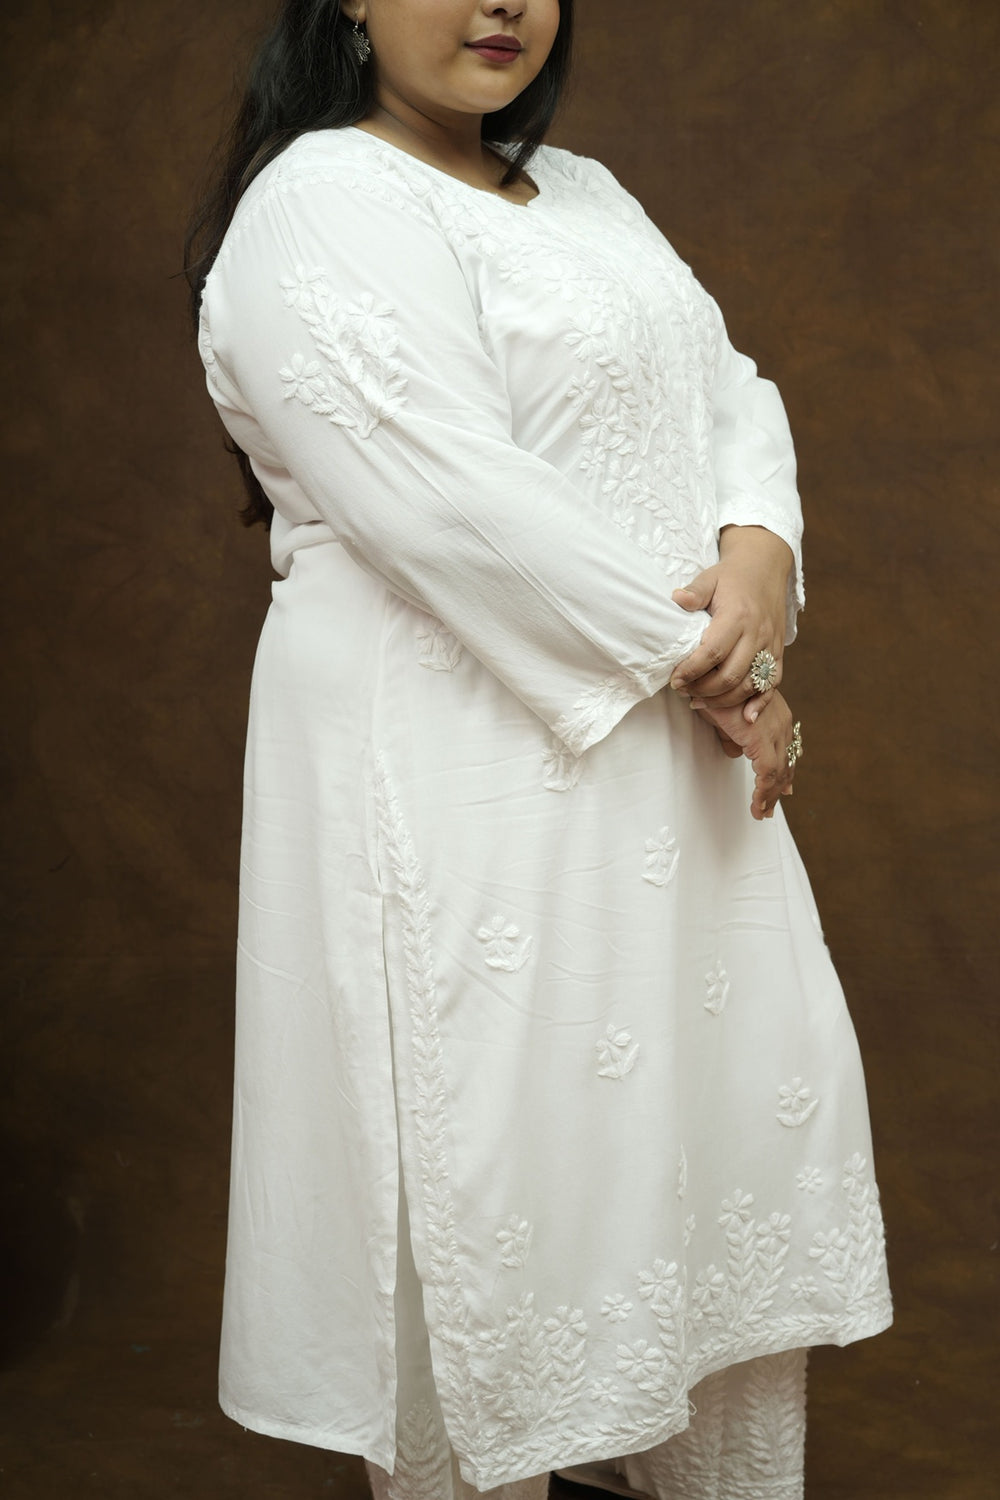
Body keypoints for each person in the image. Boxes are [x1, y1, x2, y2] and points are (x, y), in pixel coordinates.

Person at [185, 3, 891, 1497]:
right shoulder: (319, 199)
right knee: (503, 1171)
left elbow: (730, 394)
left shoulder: (584, 192)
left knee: (701, 1168)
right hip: (468, 769)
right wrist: (715, 672)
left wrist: (758, 549)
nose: (501, 0)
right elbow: (447, 496)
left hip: (665, 783)